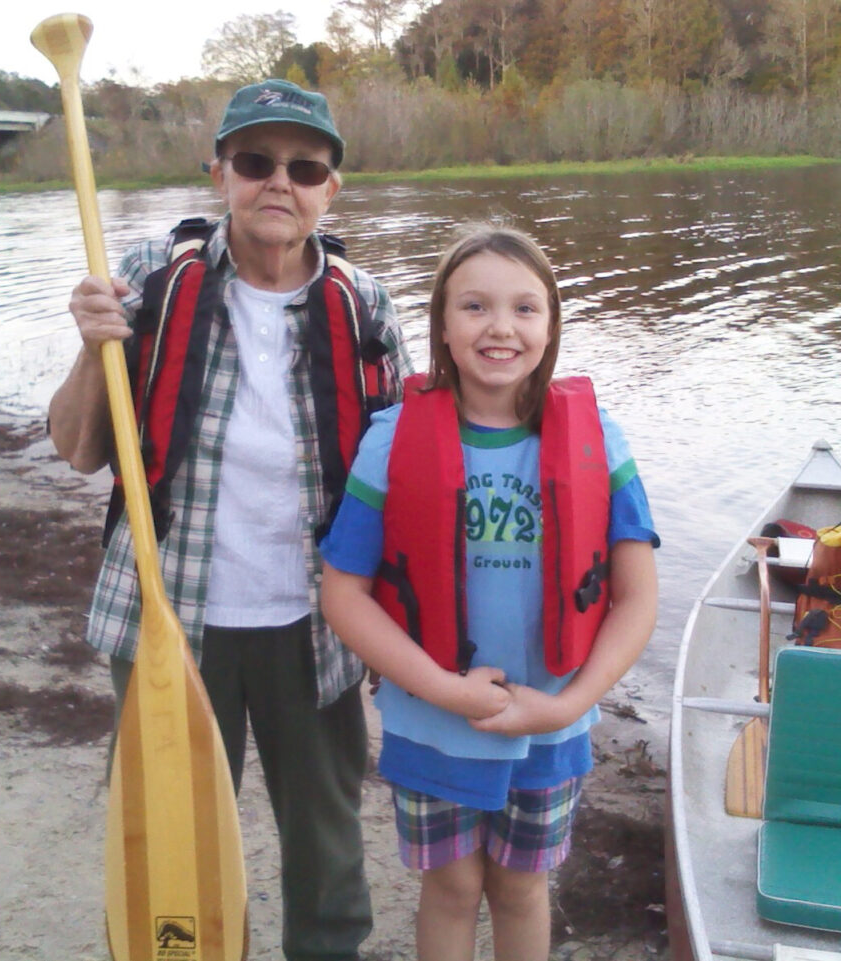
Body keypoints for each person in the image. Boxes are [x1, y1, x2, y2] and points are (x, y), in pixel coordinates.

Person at [48, 79, 414, 961]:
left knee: (328, 858)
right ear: (219, 173)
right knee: (167, 844)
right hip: (167, 618)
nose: (277, 182)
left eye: (304, 166)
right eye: (255, 162)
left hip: (314, 628)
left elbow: (396, 484)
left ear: (333, 189)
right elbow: (75, 448)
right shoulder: (147, 274)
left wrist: (397, 631)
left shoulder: (365, 303)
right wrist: (95, 346)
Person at [320, 225, 659, 961]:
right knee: (449, 889)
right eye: (474, 306)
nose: (500, 327)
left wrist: (566, 705)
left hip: (550, 727)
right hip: (431, 723)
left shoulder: (600, 438)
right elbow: (343, 594)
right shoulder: (390, 439)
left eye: (525, 309)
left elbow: (637, 600)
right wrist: (444, 689)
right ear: (442, 325)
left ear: (551, 325)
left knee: (520, 889)